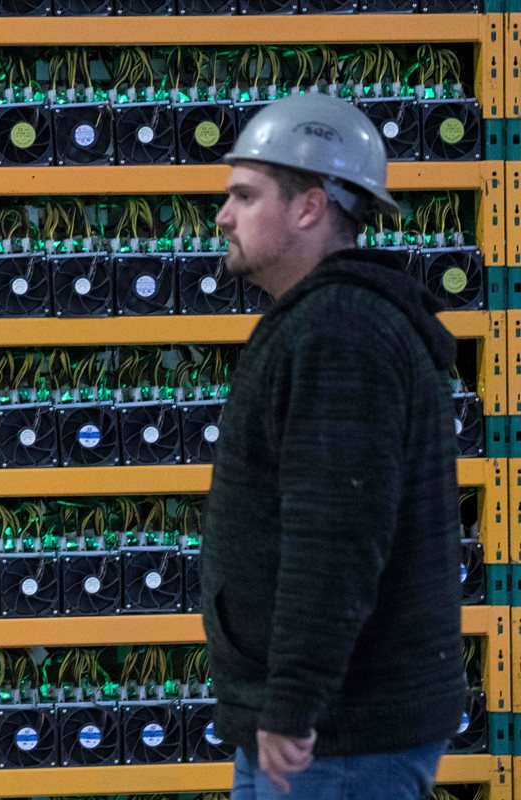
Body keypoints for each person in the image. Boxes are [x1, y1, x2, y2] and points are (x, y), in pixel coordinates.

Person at [203, 92, 465, 799]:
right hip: (318, 728)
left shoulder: (340, 333)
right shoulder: (330, 321)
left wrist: (294, 704)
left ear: (310, 207)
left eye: (245, 195)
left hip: (337, 737)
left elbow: (335, 538)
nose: (224, 215)